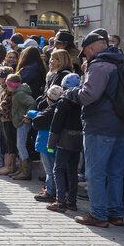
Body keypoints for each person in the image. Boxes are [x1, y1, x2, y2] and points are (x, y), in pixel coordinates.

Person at [65, 29, 124, 227]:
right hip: (121, 125)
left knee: (95, 173)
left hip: (100, 125)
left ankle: (98, 214)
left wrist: (71, 93)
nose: (85, 56)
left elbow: (88, 95)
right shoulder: (120, 62)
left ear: (92, 48)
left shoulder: (100, 65)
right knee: (115, 172)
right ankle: (115, 213)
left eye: (85, 52)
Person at [45, 73, 83, 213]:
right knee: (73, 170)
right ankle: (71, 201)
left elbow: (56, 125)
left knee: (58, 169)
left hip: (65, 140)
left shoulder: (63, 102)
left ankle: (60, 201)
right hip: (78, 139)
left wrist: (50, 144)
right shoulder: (82, 101)